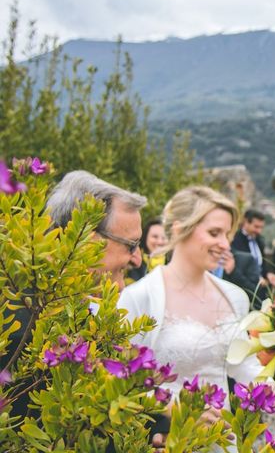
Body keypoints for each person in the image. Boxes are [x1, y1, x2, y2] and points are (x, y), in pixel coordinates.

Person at [3, 170, 146, 421]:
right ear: (87, 240)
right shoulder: (16, 322)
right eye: (132, 245)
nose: (138, 258)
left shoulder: (81, 310)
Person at [117, 186, 261, 427]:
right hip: (168, 436)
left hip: (223, 436)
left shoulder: (234, 296)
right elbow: (125, 382)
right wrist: (179, 410)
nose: (225, 244)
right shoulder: (140, 297)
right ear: (180, 228)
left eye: (228, 235)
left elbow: (243, 366)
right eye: (215, 233)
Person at [231, 209, 275, 287]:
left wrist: (268, 274)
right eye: (256, 227)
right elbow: (237, 268)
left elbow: (262, 264)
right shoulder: (234, 240)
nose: (259, 231)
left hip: (260, 288)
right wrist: (257, 278)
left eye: (261, 227)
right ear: (245, 222)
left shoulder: (260, 240)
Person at [127, 217, 167, 283]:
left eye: (164, 238)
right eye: (155, 237)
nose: (160, 241)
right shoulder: (132, 261)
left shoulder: (173, 264)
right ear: (145, 237)